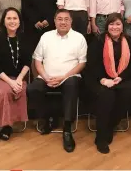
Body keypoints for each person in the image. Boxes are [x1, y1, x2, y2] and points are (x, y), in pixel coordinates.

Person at [27, 9, 87, 153]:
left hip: (69, 76)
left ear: (71, 21)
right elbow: (38, 60)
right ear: (54, 21)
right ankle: (44, 119)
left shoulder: (79, 38)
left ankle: (67, 128)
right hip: (46, 76)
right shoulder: (46, 37)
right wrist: (45, 76)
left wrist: (64, 76)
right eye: (60, 19)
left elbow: (82, 63)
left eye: (66, 19)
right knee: (33, 88)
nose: (63, 22)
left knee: (72, 85)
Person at [85, 13, 131, 154]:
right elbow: (91, 65)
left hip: (121, 78)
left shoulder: (130, 41)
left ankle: (110, 126)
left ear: (123, 26)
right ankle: (101, 137)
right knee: (106, 96)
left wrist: (121, 77)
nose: (114, 27)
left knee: (130, 91)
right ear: (107, 26)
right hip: (100, 79)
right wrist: (104, 80)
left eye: (118, 24)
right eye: (111, 24)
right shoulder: (98, 41)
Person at [0, 7, 31, 142]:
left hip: (16, 77)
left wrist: (20, 79)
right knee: (4, 92)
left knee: (16, 90)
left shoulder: (25, 39)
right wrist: (11, 82)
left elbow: (27, 62)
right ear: (3, 21)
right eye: (8, 18)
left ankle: (7, 125)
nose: (12, 21)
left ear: (20, 22)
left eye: (15, 18)